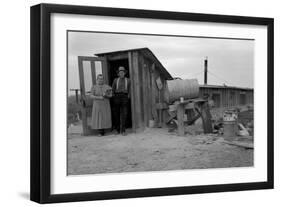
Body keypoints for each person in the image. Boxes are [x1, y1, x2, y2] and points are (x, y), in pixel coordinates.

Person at [112, 66, 130, 136]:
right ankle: (117, 130)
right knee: (116, 114)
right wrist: (114, 96)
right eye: (120, 72)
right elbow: (113, 89)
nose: (121, 73)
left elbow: (130, 89)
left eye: (123, 72)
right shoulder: (115, 80)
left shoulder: (128, 80)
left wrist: (128, 96)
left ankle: (123, 130)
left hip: (125, 97)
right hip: (117, 97)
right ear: (118, 74)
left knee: (124, 114)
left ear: (124, 73)